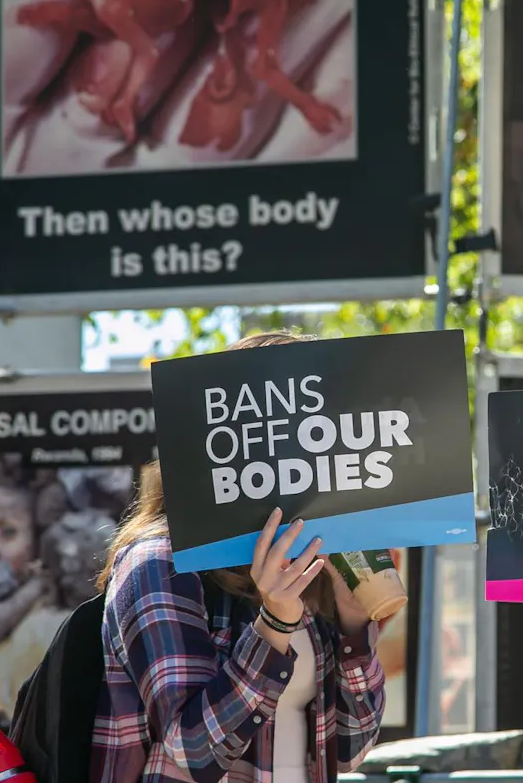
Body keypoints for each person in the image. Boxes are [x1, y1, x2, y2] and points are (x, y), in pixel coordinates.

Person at [91, 331, 386, 783]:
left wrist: (353, 627)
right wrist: (276, 625)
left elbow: (347, 752)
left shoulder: (308, 558)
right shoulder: (160, 563)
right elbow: (192, 752)